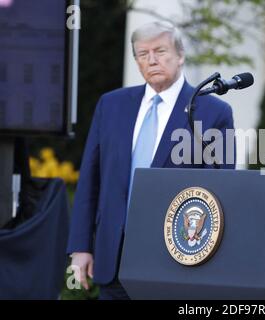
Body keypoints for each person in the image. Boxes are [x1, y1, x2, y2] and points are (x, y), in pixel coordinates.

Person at [67, 21, 235, 299]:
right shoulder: (111, 105)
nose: (152, 60)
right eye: (143, 54)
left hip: (176, 260)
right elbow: (90, 180)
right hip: (113, 257)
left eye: (160, 51)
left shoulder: (213, 111)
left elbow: (219, 192)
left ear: (180, 55)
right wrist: (80, 247)